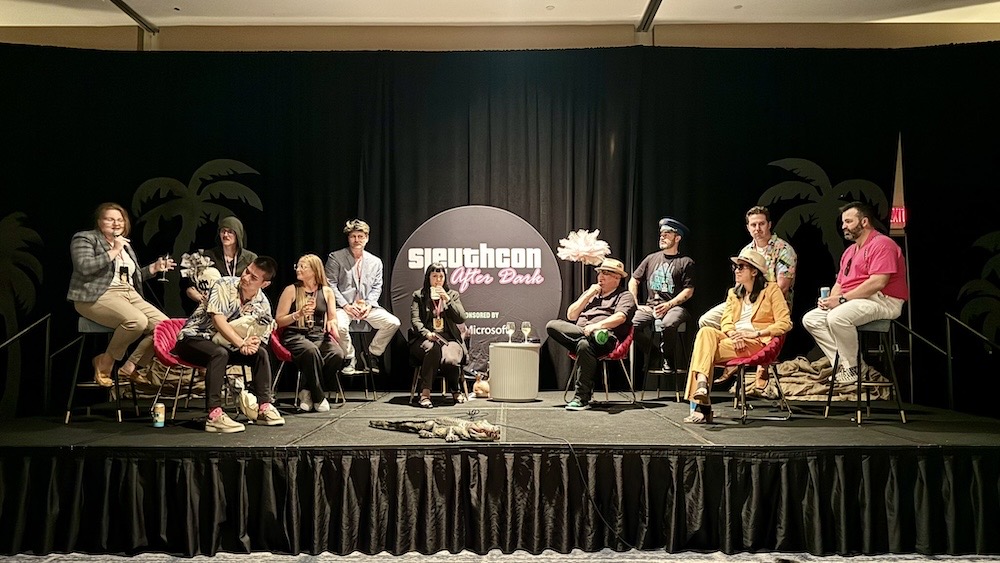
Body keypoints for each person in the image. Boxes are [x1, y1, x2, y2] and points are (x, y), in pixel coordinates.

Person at [173, 256, 284, 433]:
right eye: (247, 271)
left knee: (261, 353)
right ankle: (214, 415)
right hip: (194, 339)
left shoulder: (262, 305)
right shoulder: (223, 285)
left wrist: (252, 343)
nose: (246, 277)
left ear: (264, 284)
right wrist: (241, 343)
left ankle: (264, 407)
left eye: (254, 278)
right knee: (219, 353)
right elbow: (218, 320)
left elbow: (260, 336)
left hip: (226, 345)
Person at [68, 202, 175, 387]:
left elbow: (131, 276)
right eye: (110, 219)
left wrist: (153, 268)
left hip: (128, 293)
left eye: (120, 220)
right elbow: (85, 267)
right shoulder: (85, 238)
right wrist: (114, 250)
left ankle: (131, 366)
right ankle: (105, 362)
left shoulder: (124, 245)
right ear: (99, 221)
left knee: (166, 328)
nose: (116, 223)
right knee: (137, 321)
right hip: (96, 296)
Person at [802, 201, 908, 384]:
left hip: (883, 300)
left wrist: (841, 300)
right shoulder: (850, 251)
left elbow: (878, 282)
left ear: (864, 222)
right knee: (811, 319)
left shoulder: (883, 244)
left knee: (837, 317)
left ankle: (851, 368)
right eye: (843, 222)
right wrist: (831, 300)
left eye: (848, 221)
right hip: (855, 300)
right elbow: (840, 283)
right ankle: (850, 364)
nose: (844, 226)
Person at [683, 249, 792, 423]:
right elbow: (726, 321)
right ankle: (702, 386)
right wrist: (734, 335)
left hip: (756, 342)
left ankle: (701, 407)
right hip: (734, 341)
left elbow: (785, 323)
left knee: (702, 352)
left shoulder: (771, 290)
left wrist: (755, 333)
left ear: (754, 271)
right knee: (705, 332)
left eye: (741, 267)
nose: (736, 270)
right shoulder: (734, 293)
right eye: (735, 267)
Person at [698, 205, 797, 389]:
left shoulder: (783, 249)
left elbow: (782, 286)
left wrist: (762, 302)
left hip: (772, 302)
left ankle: (761, 365)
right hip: (745, 300)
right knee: (705, 321)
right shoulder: (746, 251)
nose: (757, 228)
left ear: (769, 225)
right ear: (748, 227)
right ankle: (733, 354)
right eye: (753, 225)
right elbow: (739, 288)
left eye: (761, 224)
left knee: (759, 317)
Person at [547, 258, 637, 411]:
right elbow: (571, 315)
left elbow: (620, 317)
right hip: (582, 334)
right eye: (600, 273)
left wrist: (596, 326)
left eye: (606, 274)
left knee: (585, 345)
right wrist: (588, 294)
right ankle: (587, 336)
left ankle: (581, 398)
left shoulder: (624, 296)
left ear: (617, 278)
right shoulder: (591, 295)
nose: (601, 277)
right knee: (553, 326)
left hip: (607, 339)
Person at [325, 219, 400, 374]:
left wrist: (368, 305)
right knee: (339, 326)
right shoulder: (336, 257)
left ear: (367, 238)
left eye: (360, 236)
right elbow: (330, 285)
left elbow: (377, 287)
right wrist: (346, 305)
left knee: (393, 322)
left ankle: (372, 354)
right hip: (343, 307)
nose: (357, 240)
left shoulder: (375, 262)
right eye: (353, 236)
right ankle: (349, 356)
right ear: (348, 238)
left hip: (366, 307)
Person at [274, 254, 345, 413]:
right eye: (297, 266)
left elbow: (332, 318)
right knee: (311, 351)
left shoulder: (326, 291)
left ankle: (307, 391)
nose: (298, 269)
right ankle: (319, 397)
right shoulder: (291, 290)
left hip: (319, 335)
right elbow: (279, 320)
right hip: (295, 335)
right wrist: (298, 314)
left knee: (337, 354)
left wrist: (334, 328)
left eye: (302, 267)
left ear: (314, 271)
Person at [629, 217, 695, 374]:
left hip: (675, 307)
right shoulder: (651, 258)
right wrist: (636, 304)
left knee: (668, 324)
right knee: (629, 325)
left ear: (677, 238)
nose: (662, 236)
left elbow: (689, 290)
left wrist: (668, 305)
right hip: (651, 307)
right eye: (661, 234)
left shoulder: (685, 262)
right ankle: (653, 354)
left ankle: (668, 358)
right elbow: (634, 279)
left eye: (667, 233)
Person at [408, 263, 468, 408]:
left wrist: (447, 299)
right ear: (428, 278)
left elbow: (461, 318)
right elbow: (415, 320)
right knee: (433, 349)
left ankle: (455, 390)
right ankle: (425, 394)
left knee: (451, 359)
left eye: (441, 276)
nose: (438, 280)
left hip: (449, 339)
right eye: (434, 276)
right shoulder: (419, 296)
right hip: (426, 339)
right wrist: (426, 333)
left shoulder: (452, 295)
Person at [181, 216, 258, 315]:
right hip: (213, 309)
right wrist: (201, 298)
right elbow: (190, 287)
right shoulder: (207, 256)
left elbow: (257, 286)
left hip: (242, 308)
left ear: (238, 234)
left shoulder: (250, 258)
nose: (226, 235)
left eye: (230, 231)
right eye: (223, 231)